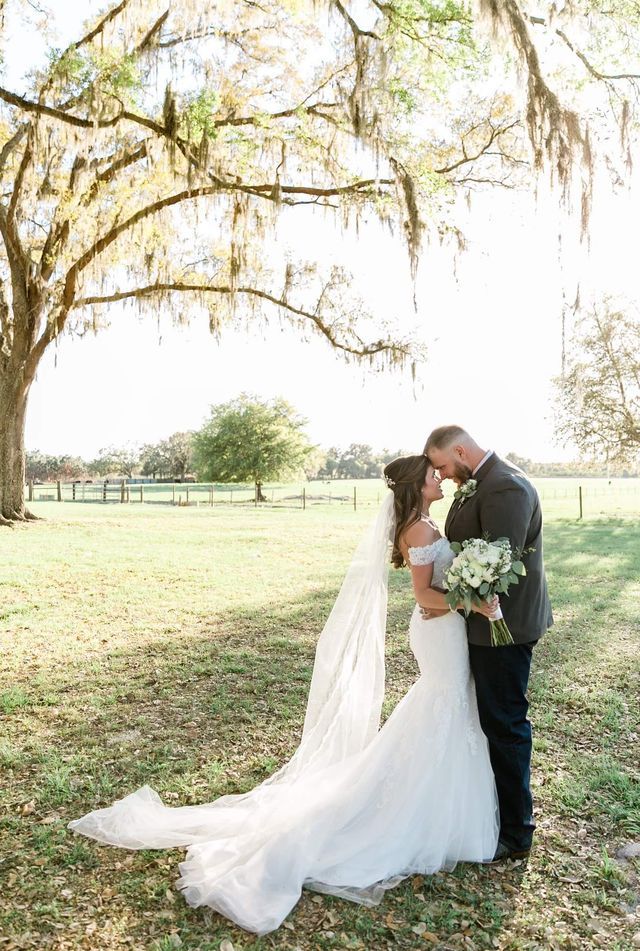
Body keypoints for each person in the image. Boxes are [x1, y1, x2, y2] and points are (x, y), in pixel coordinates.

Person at [69, 454, 499, 935]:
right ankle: (409, 809)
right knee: (440, 704)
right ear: (415, 485)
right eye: (432, 474)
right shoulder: (419, 531)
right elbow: (424, 595)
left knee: (443, 705)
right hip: (439, 631)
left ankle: (429, 803)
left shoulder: (424, 522)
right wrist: (472, 601)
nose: (439, 477)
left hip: (444, 631)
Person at [424, 426, 553, 861]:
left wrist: (452, 601)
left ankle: (517, 833)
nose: (440, 475)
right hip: (481, 622)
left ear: (460, 450)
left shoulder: (505, 486)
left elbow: (499, 564)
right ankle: (494, 811)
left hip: (504, 626)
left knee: (505, 722)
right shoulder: (476, 482)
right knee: (490, 720)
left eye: (442, 465)